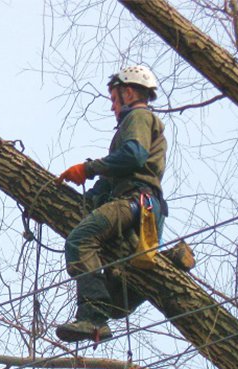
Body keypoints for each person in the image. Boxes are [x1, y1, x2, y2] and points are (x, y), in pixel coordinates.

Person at [55, 65, 167, 343]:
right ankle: (109, 311)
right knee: (117, 293)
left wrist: (89, 167)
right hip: (142, 206)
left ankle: (92, 318)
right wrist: (91, 194)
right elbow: (114, 176)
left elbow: (133, 156)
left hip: (134, 201)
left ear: (128, 92)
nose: (113, 107)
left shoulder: (138, 116)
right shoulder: (138, 121)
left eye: (114, 100)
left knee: (79, 240)